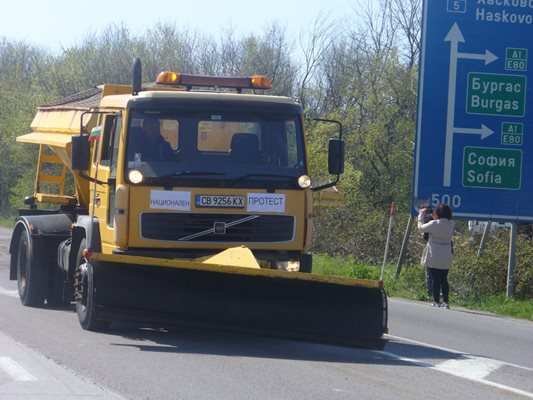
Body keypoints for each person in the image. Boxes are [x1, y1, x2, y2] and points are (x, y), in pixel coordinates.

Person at [418, 204, 454, 308]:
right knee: (444, 278)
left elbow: (421, 228)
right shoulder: (451, 224)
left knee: (435, 278)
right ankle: (446, 302)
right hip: (446, 253)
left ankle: (436, 301)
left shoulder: (434, 224)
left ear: (438, 213)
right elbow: (442, 224)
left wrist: (421, 215)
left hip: (434, 253)